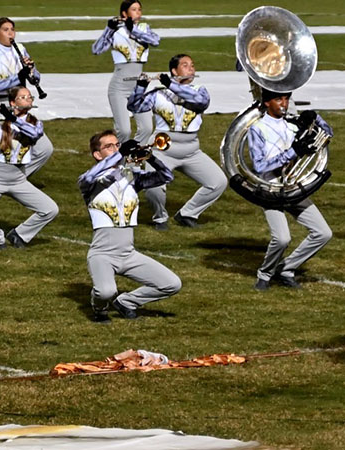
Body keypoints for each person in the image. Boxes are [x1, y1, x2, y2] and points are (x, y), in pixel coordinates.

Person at [79, 130, 180, 321]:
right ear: (97, 155)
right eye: (109, 147)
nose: (115, 149)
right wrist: (121, 154)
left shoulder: (132, 179)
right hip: (103, 254)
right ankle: (99, 308)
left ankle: (126, 302)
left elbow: (166, 176)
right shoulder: (90, 182)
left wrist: (150, 157)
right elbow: (88, 177)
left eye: (117, 144)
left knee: (171, 284)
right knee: (106, 292)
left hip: (128, 253)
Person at [127, 54, 226, 229]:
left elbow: (199, 101)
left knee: (218, 182)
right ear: (174, 71)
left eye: (192, 65)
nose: (191, 69)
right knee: (153, 186)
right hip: (161, 149)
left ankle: (188, 214)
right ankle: (160, 217)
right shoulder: (158, 94)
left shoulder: (199, 91)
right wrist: (141, 87)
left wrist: (170, 84)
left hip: (191, 150)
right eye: (186, 65)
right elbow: (134, 107)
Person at [247, 89, 333, 290]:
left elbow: (328, 135)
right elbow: (260, 166)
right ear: (267, 102)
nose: (284, 103)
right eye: (279, 99)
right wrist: (294, 151)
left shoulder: (293, 125)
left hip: (294, 186)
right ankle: (265, 274)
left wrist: (316, 118)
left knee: (323, 233)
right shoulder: (257, 128)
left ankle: (286, 268)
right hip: (271, 189)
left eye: (286, 98)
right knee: (282, 238)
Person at [0, 86, 58, 249]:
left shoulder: (35, 123)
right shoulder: (0, 125)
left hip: (18, 179)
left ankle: (20, 234)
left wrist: (11, 117)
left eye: (30, 97)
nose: (29, 99)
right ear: (12, 102)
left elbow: (33, 134)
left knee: (50, 209)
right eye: (23, 97)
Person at [0, 17, 52, 176]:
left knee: (44, 149)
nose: (10, 33)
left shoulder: (20, 48)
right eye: (5, 30)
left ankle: (16, 179)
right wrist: (18, 77)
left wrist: (32, 71)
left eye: (12, 30)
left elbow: (35, 79)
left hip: (19, 109)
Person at [92, 0, 159, 146]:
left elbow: (155, 41)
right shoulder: (116, 30)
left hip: (139, 86)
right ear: (124, 13)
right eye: (134, 9)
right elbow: (96, 49)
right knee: (123, 130)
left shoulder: (143, 28)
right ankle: (118, 161)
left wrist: (133, 30)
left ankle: (133, 159)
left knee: (147, 128)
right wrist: (108, 29)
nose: (138, 12)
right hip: (120, 85)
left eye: (139, 9)